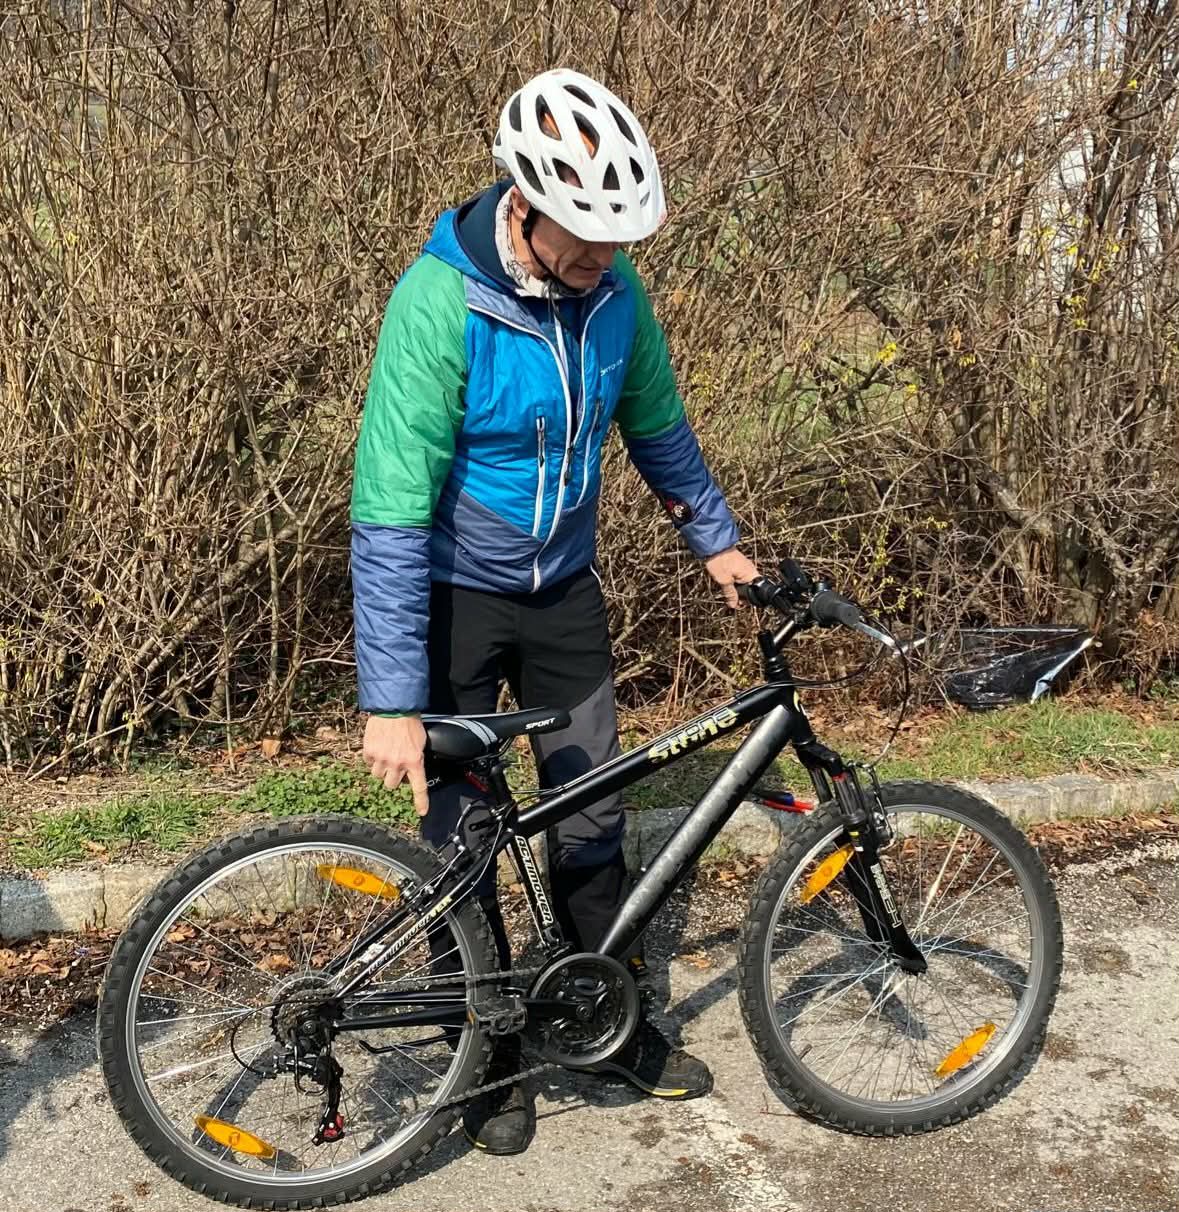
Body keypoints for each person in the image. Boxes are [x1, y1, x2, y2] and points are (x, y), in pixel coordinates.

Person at [351, 68, 758, 1156]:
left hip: (564, 591)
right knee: (463, 838)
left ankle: (600, 1019)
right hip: (455, 599)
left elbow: (656, 424)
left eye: (618, 242)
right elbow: (390, 505)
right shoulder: (439, 302)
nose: (602, 260)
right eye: (586, 238)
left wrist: (715, 540)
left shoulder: (616, 299)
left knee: (591, 816)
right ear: (524, 203)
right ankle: (486, 1053)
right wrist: (392, 698)